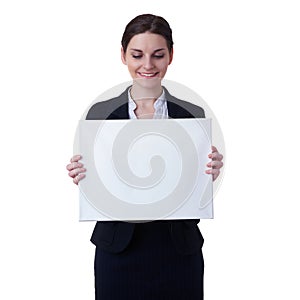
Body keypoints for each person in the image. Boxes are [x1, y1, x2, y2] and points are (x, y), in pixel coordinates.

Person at [66, 14, 223, 300]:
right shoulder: (99, 115)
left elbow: (191, 183)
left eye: (158, 55)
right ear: (123, 55)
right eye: (137, 55)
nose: (148, 65)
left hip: (178, 250)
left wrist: (210, 170)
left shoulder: (192, 115)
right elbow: (99, 184)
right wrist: (83, 176)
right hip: (118, 250)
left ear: (171, 56)